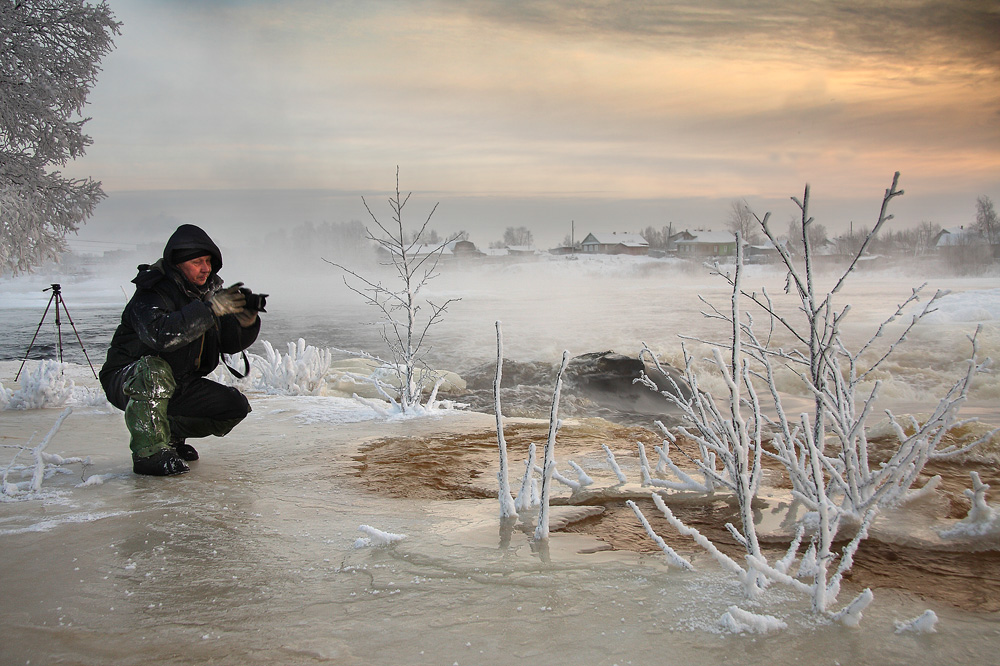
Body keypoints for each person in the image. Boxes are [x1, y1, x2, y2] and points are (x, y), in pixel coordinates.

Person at [100, 224, 262, 476]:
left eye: (208, 261)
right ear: (177, 263)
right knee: (154, 370)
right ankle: (149, 453)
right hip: (129, 378)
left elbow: (229, 343)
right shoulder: (152, 292)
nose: (205, 268)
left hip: (178, 382)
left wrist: (246, 321)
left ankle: (169, 437)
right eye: (197, 262)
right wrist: (210, 310)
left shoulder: (208, 294)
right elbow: (161, 336)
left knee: (233, 406)